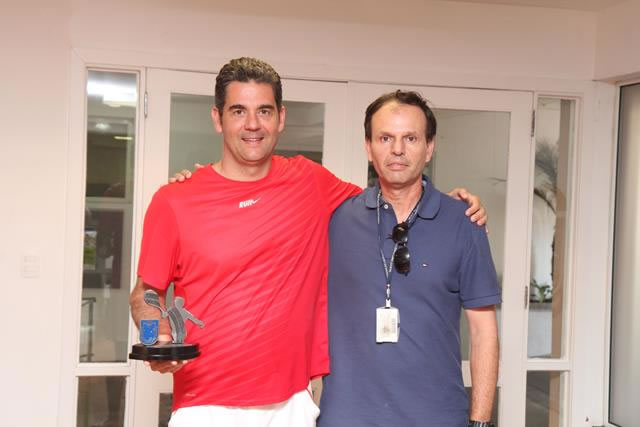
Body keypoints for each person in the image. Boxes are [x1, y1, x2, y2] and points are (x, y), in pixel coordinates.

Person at [132, 57, 486, 427]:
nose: (252, 124)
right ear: (218, 119)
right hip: (205, 405)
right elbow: (145, 294)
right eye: (238, 111)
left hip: (293, 406)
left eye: (264, 111)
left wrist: (451, 207)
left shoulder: (310, 182)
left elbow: (393, 201)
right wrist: (155, 338)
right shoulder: (175, 200)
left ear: (280, 118)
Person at [317, 90, 500, 427]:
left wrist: (481, 421)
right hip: (347, 417)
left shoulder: (464, 223)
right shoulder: (335, 219)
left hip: (437, 417)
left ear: (429, 148)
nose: (397, 149)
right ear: (368, 147)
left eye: (410, 138)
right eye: (385, 138)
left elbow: (483, 332)